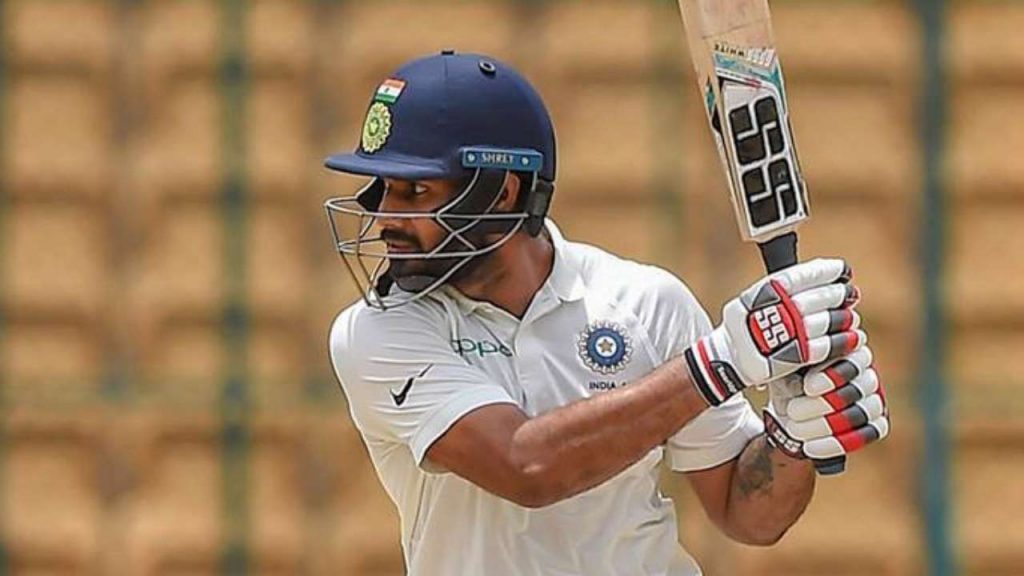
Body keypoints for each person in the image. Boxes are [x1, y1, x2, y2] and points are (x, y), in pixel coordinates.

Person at [323, 51, 889, 576]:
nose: (385, 217)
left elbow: (750, 518)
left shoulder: (646, 302)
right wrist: (721, 363)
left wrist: (791, 438)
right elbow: (525, 466)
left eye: (414, 192)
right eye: (384, 189)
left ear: (501, 193)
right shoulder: (377, 331)